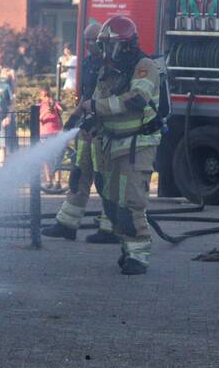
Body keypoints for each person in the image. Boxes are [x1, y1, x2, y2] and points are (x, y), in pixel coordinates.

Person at [66, 15, 161, 275]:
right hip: (111, 146)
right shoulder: (108, 70)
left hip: (136, 146)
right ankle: (127, 248)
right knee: (112, 203)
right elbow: (95, 100)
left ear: (124, 44)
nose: (104, 51)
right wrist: (80, 120)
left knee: (131, 202)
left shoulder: (144, 66)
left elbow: (136, 100)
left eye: (109, 46)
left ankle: (138, 257)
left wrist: (97, 107)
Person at [41, 22, 115, 244]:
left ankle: (110, 229)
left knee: (106, 181)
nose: (89, 45)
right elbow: (86, 95)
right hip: (87, 131)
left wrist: (95, 117)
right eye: (86, 40)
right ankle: (67, 225)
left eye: (93, 40)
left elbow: (110, 100)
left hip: (104, 133)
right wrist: (74, 118)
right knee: (78, 177)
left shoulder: (112, 64)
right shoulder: (89, 63)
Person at [37, 86, 63, 187]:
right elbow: (38, 119)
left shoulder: (54, 104)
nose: (47, 98)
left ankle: (58, 181)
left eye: (48, 95)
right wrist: (45, 112)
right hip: (44, 133)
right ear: (41, 97)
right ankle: (49, 180)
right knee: (46, 158)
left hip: (55, 133)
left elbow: (61, 110)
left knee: (57, 157)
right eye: (45, 96)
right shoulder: (39, 106)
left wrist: (55, 104)